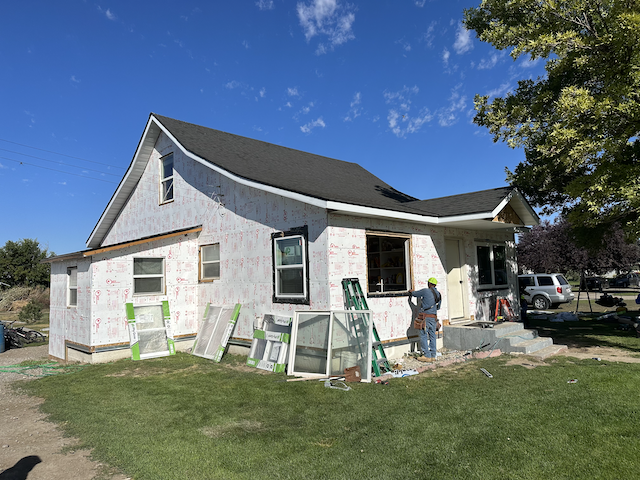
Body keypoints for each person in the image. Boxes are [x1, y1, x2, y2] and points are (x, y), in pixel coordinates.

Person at [408, 277, 441, 362]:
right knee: (432, 335)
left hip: (425, 317)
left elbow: (415, 294)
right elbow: (438, 307)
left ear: (429, 284)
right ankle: (433, 355)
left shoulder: (426, 291)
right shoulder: (438, 294)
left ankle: (427, 356)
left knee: (423, 335)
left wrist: (411, 292)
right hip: (434, 317)